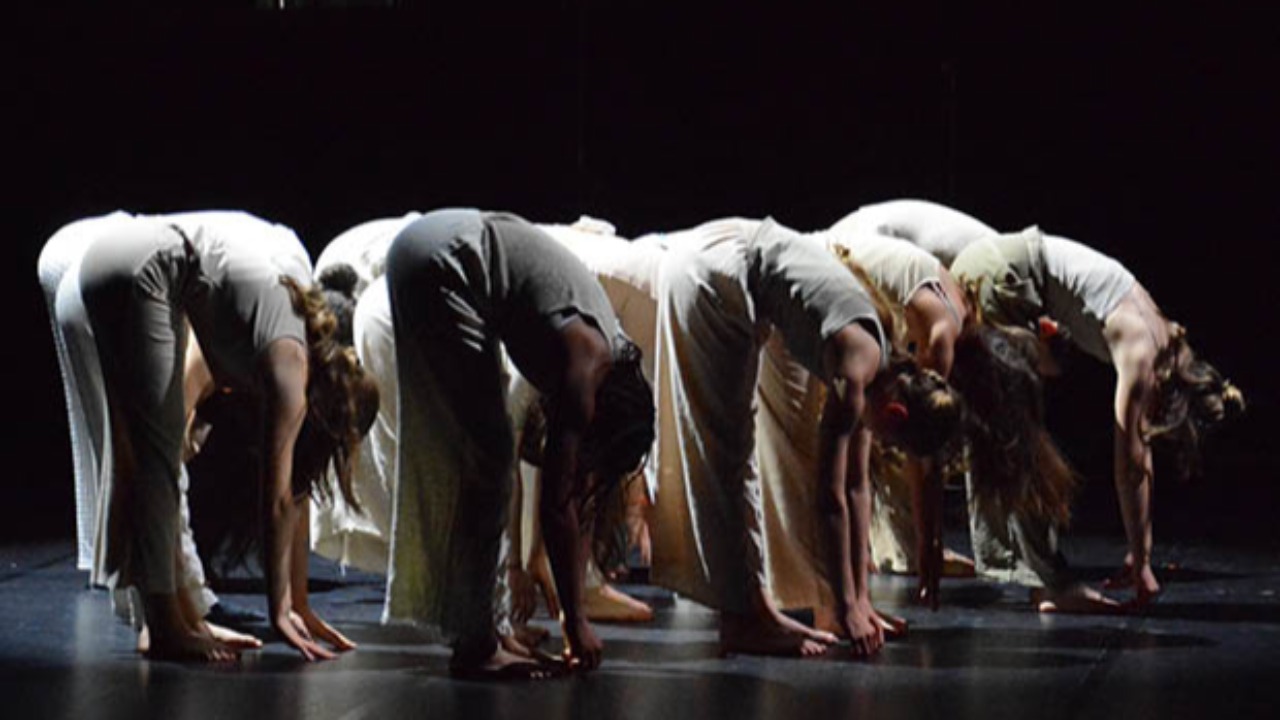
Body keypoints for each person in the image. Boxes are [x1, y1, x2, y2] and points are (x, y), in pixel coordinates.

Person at [649, 217, 962, 658]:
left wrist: (859, 601)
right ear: (896, 411)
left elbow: (857, 485)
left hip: (735, 269)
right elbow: (828, 495)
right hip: (713, 270)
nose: (887, 449)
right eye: (895, 443)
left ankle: (750, 611)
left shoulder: (879, 367)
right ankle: (741, 620)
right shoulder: (858, 370)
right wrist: (846, 606)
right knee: (725, 452)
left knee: (739, 452)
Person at [75, 210, 377, 662]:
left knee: (142, 456)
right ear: (325, 408)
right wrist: (278, 612)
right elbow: (274, 499)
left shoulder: (286, 334)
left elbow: (293, 493)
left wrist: (299, 604)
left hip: (113, 259)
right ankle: (163, 629)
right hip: (143, 266)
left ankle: (175, 620)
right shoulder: (290, 367)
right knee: (157, 460)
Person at [382, 209, 655, 680]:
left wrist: (574, 615)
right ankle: (477, 645)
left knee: (489, 459)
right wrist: (576, 621)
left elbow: (574, 496)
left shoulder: (608, 347)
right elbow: (556, 502)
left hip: (442, 252)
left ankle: (487, 628)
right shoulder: (588, 364)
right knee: (487, 461)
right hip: (444, 262)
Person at [950, 225, 1244, 606]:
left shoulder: (1162, 331)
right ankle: (1050, 584)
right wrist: (1141, 566)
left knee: (1012, 427)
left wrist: (1142, 551)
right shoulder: (1143, 359)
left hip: (1002, 268)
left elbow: (1142, 456)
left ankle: (1043, 578)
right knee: (1018, 438)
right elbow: (1131, 467)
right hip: (1001, 278)